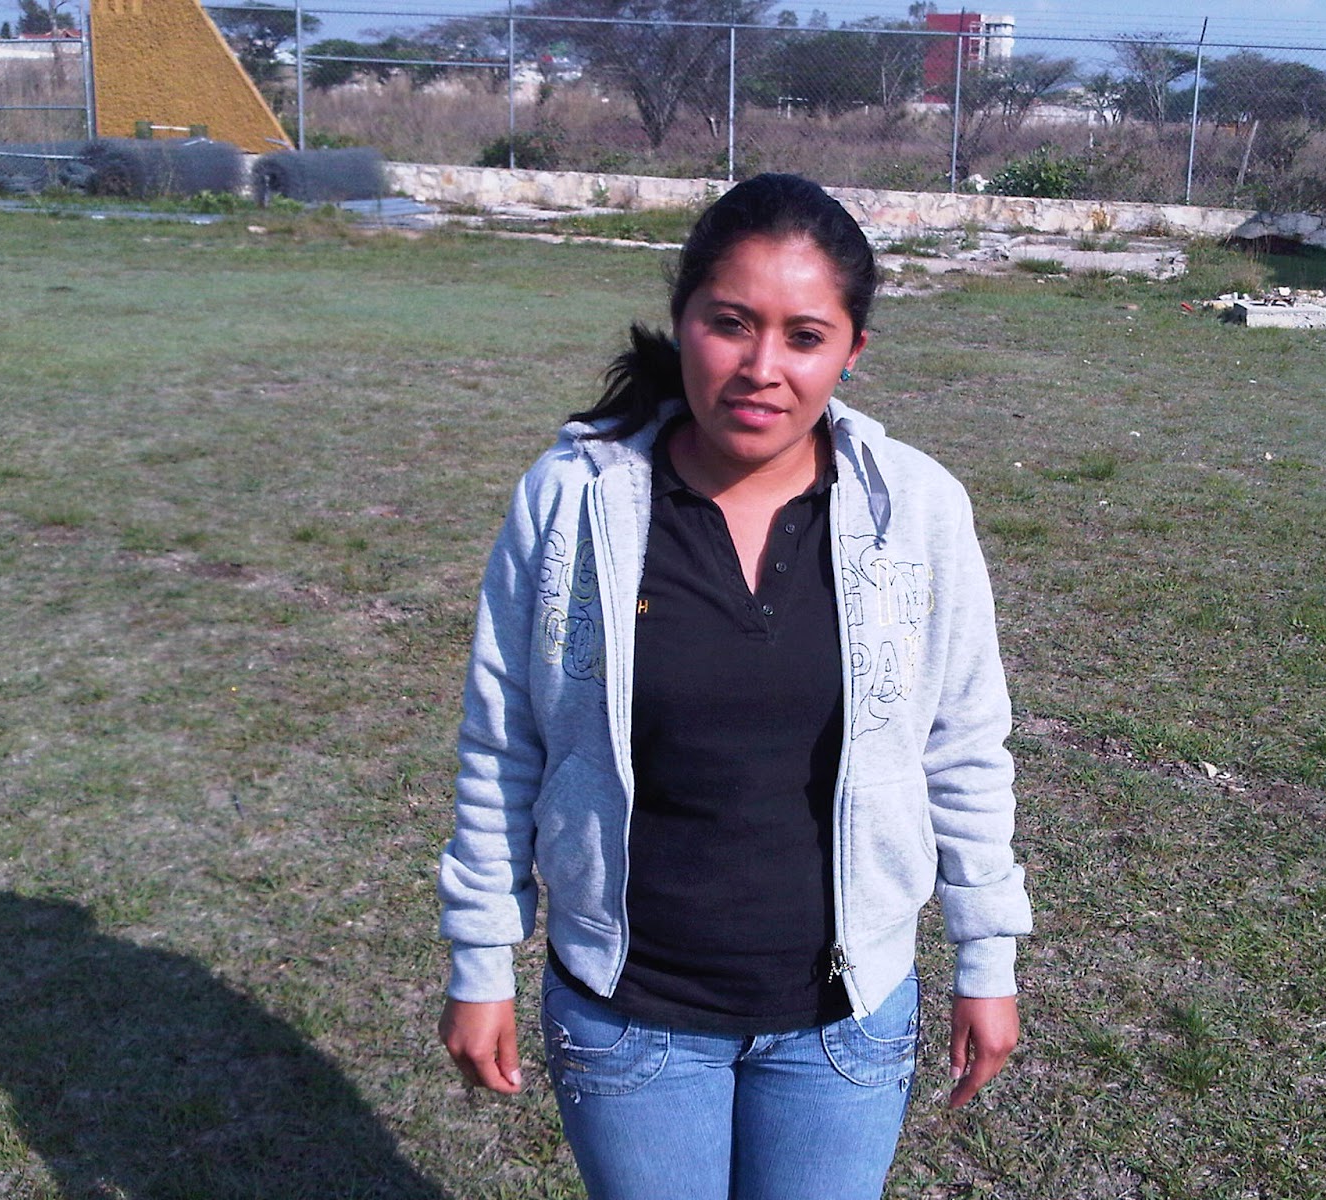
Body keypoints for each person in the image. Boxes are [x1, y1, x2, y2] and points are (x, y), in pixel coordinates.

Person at [438, 173, 1032, 1200]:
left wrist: (987, 955)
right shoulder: (573, 499)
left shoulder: (918, 511)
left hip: (846, 1022)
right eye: (730, 324)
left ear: (852, 351)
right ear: (683, 321)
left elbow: (964, 745)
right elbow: (504, 742)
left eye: (805, 337)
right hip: (629, 1017)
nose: (762, 370)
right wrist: (481, 955)